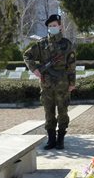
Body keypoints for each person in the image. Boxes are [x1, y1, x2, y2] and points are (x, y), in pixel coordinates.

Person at [24, 14, 76, 149]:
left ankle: (61, 139)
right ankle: (51, 139)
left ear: (60, 26)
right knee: (49, 112)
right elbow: (27, 56)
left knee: (63, 112)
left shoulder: (66, 44)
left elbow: (71, 65)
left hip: (62, 84)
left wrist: (72, 83)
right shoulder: (41, 44)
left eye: (55, 25)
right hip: (46, 84)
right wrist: (34, 69)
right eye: (50, 26)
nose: (52, 28)